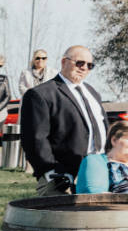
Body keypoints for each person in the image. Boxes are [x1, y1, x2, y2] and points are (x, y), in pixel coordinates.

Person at [20, 45, 106, 193]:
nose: (84, 68)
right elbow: (35, 139)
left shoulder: (92, 92)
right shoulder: (41, 94)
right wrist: (52, 172)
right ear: (64, 62)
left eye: (89, 65)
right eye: (79, 63)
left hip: (98, 171)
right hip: (63, 176)